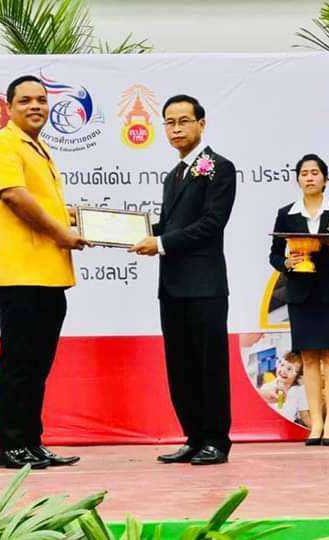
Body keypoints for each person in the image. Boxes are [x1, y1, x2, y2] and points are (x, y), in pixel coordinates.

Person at [0, 75, 89, 469]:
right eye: (25, 100)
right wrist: (62, 231)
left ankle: (32, 443)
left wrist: (74, 218)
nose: (35, 107)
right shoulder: (3, 144)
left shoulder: (38, 147)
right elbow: (14, 196)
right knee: (18, 365)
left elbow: (42, 203)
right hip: (21, 275)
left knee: (36, 367)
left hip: (48, 275)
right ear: (9, 108)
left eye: (41, 100)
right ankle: (12, 447)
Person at [129, 94, 236, 465]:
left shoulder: (219, 168)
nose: (176, 129)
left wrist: (159, 243)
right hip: (172, 286)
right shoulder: (173, 175)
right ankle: (194, 437)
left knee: (209, 365)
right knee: (180, 365)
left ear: (201, 124)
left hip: (205, 286)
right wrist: (126, 232)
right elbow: (170, 226)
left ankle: (216, 440)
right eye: (170, 123)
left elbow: (211, 224)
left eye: (184, 121)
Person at [269, 154, 329, 446]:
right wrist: (286, 264)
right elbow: (274, 255)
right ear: (298, 179)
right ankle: (316, 423)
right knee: (308, 357)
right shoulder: (286, 213)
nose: (309, 177)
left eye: (314, 172)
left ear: (325, 179)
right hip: (300, 293)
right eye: (304, 173)